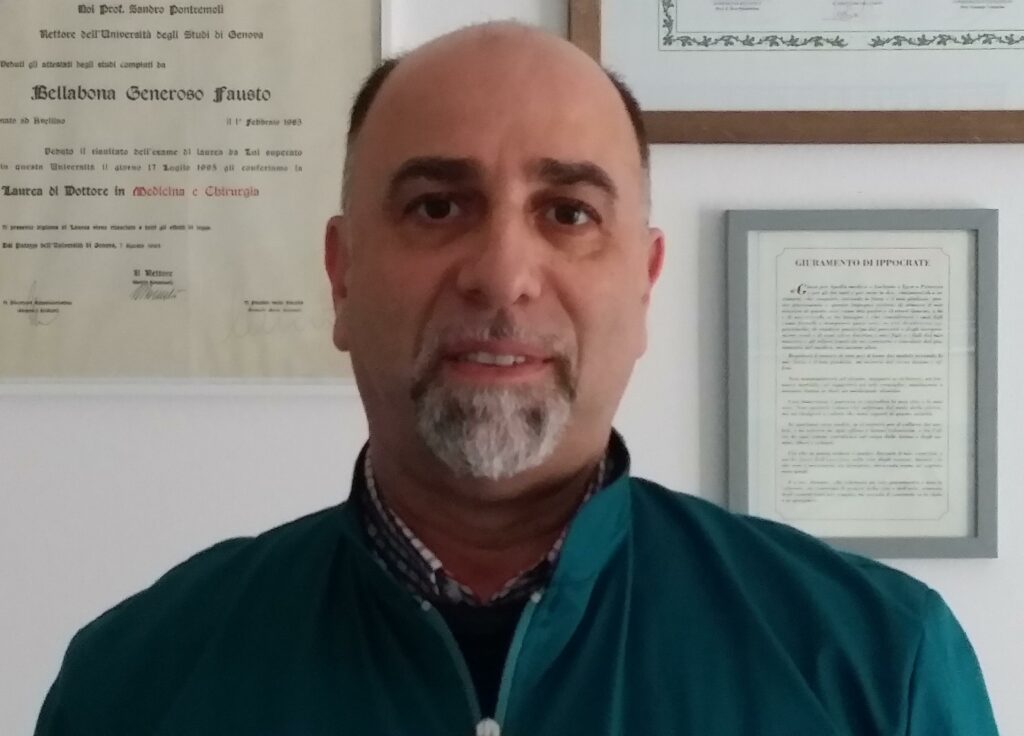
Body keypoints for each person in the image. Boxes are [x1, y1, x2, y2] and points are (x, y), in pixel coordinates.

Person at [35, 22, 998, 736]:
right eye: (437, 205)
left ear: (644, 284)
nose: (501, 275)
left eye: (568, 213)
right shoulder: (136, 681)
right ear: (341, 275)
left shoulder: (878, 666)